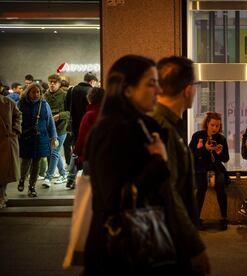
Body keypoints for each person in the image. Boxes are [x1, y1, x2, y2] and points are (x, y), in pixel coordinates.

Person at [83, 55, 170, 275]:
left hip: (137, 241)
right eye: (151, 84)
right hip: (118, 250)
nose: (158, 91)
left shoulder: (139, 124)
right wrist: (159, 162)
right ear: (127, 89)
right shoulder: (113, 130)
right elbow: (114, 198)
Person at [151, 55, 211, 275]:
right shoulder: (162, 129)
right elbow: (170, 193)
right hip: (168, 245)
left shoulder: (166, 124)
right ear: (187, 90)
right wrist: (194, 246)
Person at [189, 112, 230, 230]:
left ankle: (223, 218)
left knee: (221, 185)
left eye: (217, 126)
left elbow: (226, 158)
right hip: (201, 168)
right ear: (207, 124)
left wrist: (220, 153)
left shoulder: (221, 138)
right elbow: (190, 154)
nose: (215, 128)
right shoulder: (198, 136)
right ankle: (196, 219)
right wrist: (205, 149)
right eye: (212, 125)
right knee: (201, 187)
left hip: (215, 169)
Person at [17, 83, 57, 197]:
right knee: (25, 161)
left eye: (38, 92)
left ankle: (32, 187)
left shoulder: (44, 104)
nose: (36, 94)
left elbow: (50, 121)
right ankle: (22, 179)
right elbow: (15, 119)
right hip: (26, 138)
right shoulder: (21, 104)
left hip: (41, 138)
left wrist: (53, 136)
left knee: (36, 163)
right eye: (33, 92)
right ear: (28, 92)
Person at [65, 72, 98, 189]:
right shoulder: (91, 92)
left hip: (75, 125)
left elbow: (67, 107)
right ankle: (85, 182)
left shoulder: (72, 90)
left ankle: (70, 179)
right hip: (87, 124)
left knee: (75, 152)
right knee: (87, 156)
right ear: (92, 81)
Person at [42, 74, 70, 188]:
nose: (52, 84)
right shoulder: (44, 96)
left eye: (54, 82)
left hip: (61, 128)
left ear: (59, 84)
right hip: (48, 128)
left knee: (54, 152)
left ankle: (48, 177)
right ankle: (63, 174)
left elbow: (69, 112)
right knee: (54, 152)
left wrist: (59, 115)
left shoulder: (65, 95)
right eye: (50, 82)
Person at [73, 87, 104, 171]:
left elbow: (82, 137)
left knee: (86, 182)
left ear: (90, 98)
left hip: (90, 155)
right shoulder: (107, 113)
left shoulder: (89, 115)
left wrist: (76, 152)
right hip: (105, 155)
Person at [0, 94, 22, 208]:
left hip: (6, 140)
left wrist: (15, 130)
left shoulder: (8, 102)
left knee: (4, 172)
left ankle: (1, 196)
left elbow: (18, 115)